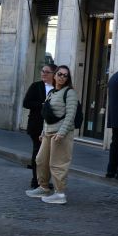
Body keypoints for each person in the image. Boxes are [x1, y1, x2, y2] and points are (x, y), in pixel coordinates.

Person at [25, 65, 79, 205]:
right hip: (48, 133)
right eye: (59, 74)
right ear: (54, 76)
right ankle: (43, 187)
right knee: (40, 160)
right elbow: (47, 116)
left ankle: (60, 194)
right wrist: (43, 132)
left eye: (65, 75)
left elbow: (70, 115)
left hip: (61, 134)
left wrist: (62, 133)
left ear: (68, 78)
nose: (61, 77)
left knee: (58, 164)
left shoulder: (70, 93)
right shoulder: (52, 93)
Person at [20, 63, 55, 191]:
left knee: (49, 155)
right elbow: (26, 103)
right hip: (36, 126)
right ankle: (36, 180)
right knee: (38, 153)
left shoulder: (58, 87)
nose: (43, 74)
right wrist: (42, 105)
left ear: (53, 74)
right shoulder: (36, 86)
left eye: (47, 72)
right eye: (42, 71)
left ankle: (44, 180)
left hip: (52, 126)